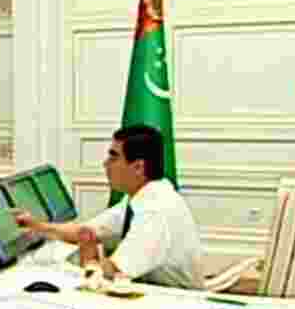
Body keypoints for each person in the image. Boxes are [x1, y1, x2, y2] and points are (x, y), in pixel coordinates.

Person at [13, 124, 204, 289]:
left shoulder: (155, 209)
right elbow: (86, 231)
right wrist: (36, 225)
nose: (105, 164)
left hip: (177, 300)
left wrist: (90, 261)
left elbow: (112, 273)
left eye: (113, 157)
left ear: (138, 167)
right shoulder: (142, 196)